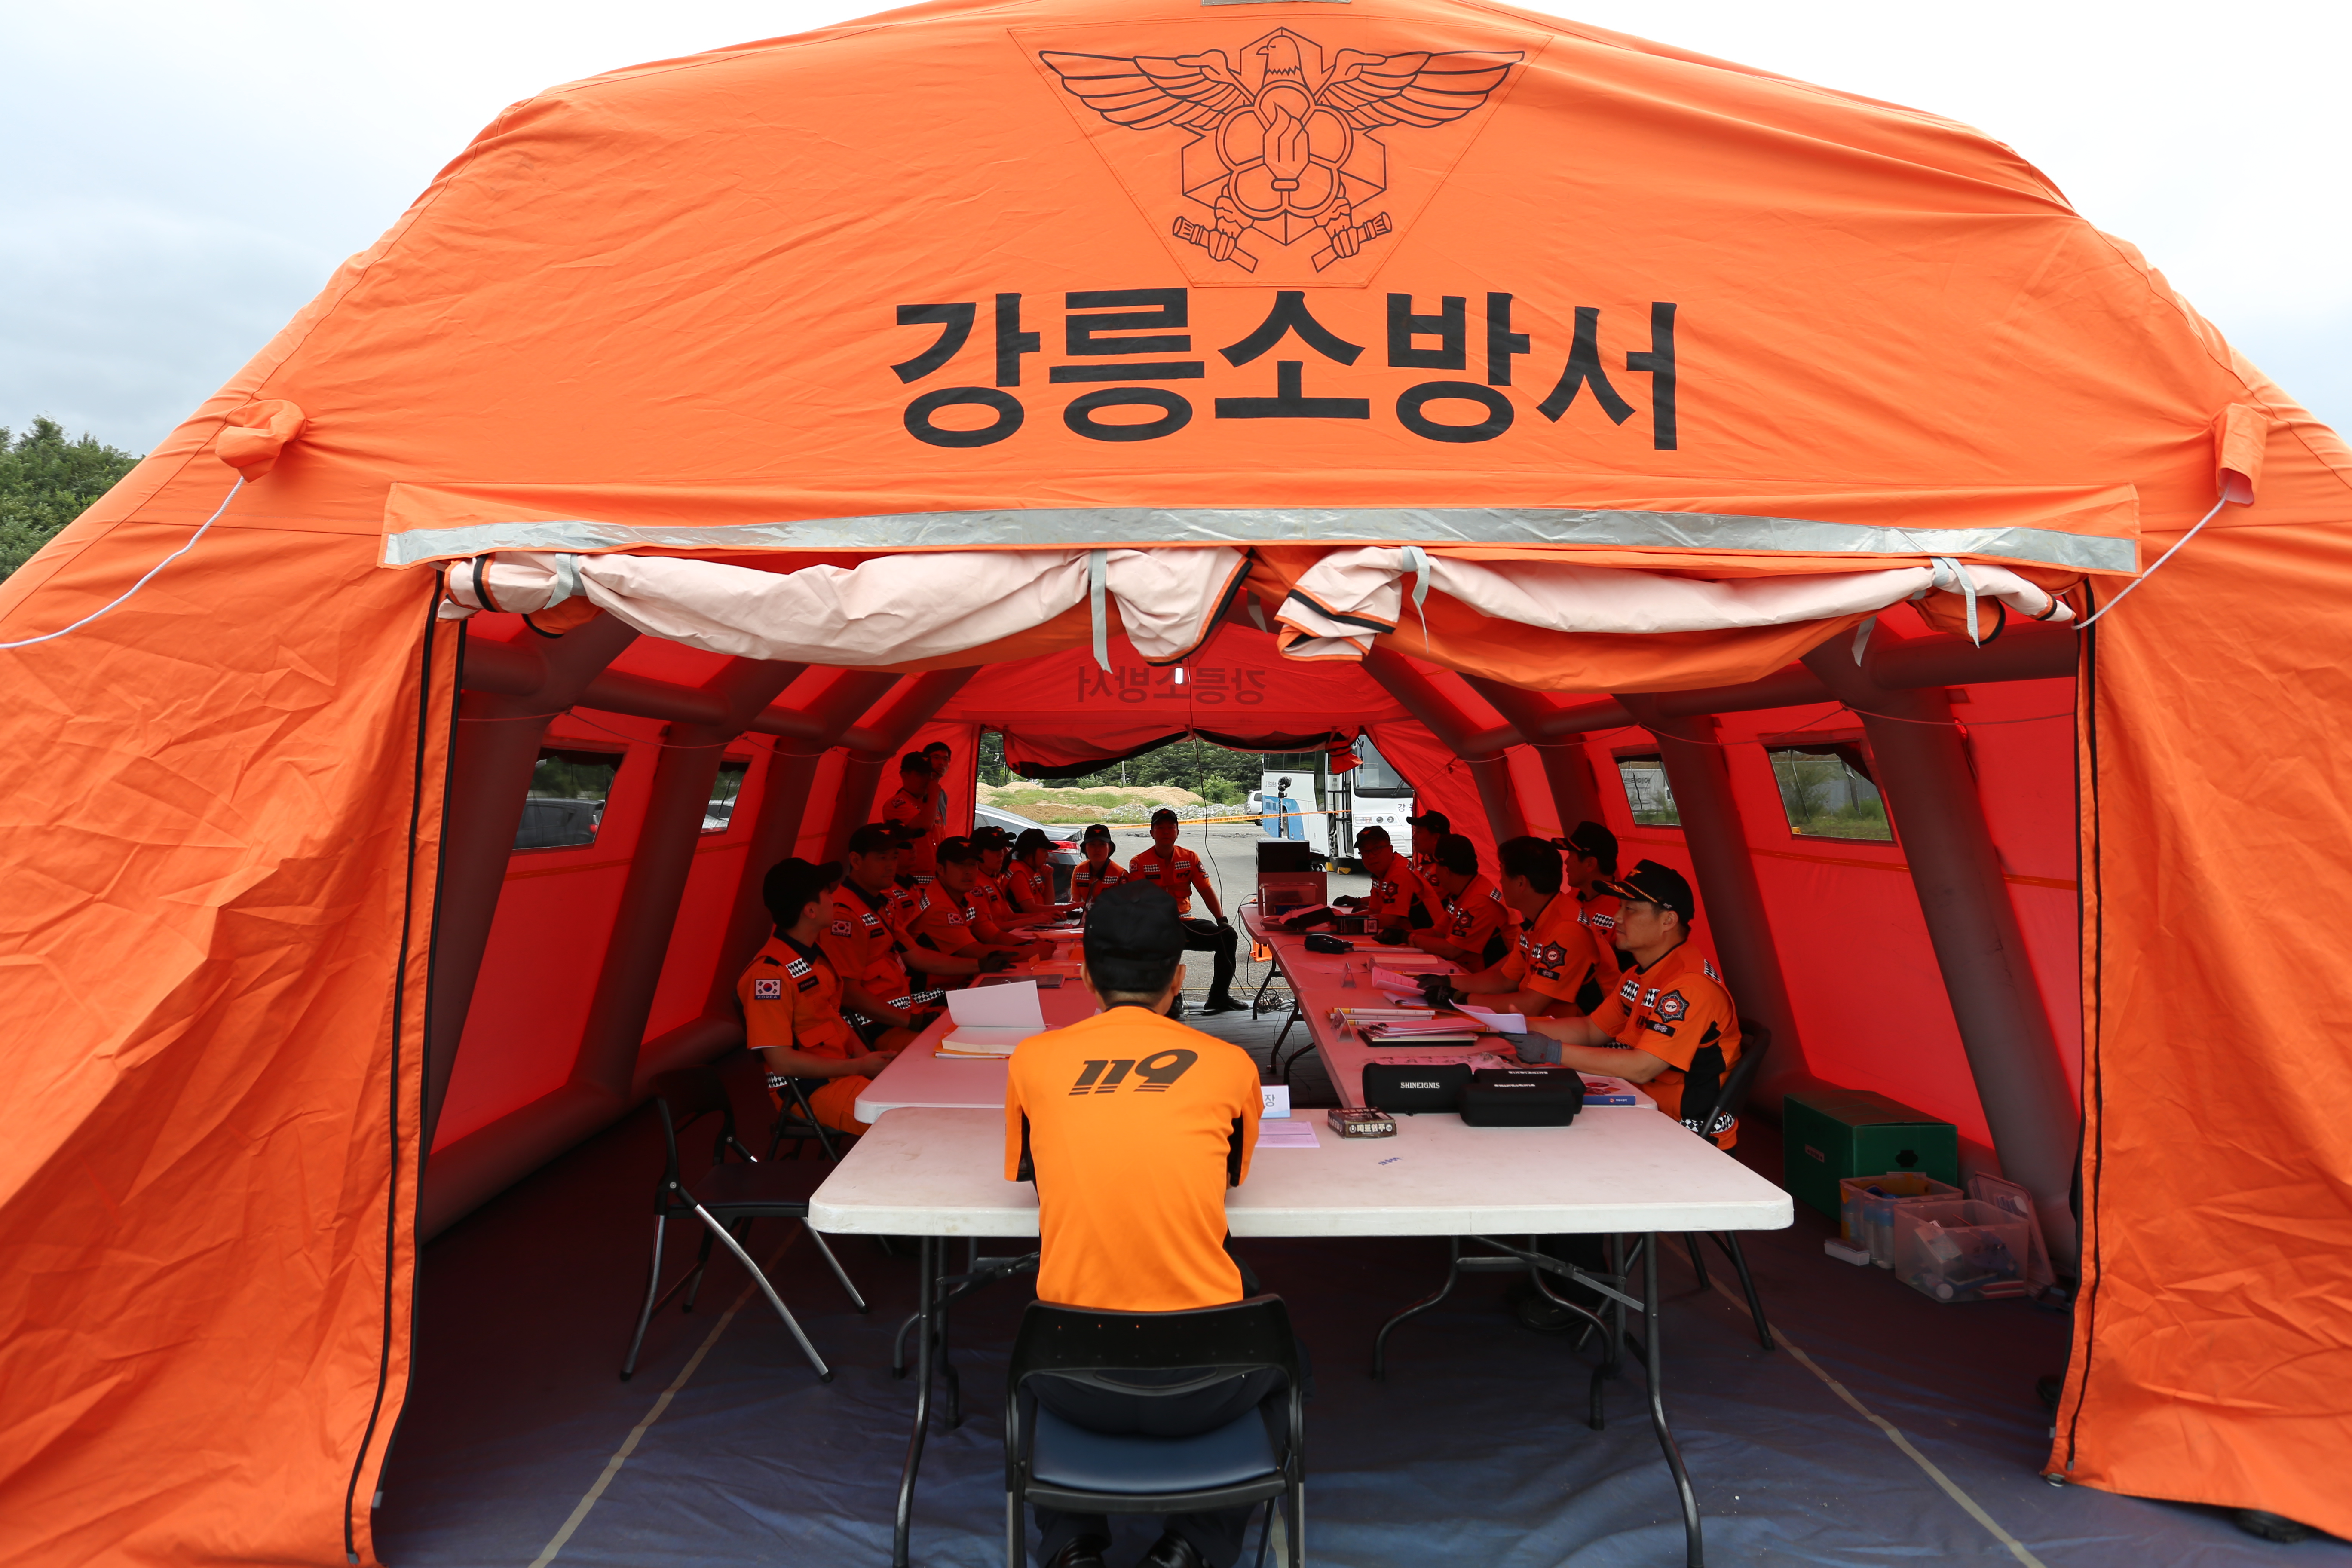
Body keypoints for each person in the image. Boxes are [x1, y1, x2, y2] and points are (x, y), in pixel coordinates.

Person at [1003, 881, 1279, 1568]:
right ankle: (1193, 1547)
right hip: (1208, 1382)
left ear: (1085, 974)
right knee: (1290, 1361)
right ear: (1179, 978)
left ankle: (1072, 1544)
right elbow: (1231, 1179)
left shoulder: (1031, 1060)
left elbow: (1033, 1176)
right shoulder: (1231, 1065)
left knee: (1030, 1351)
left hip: (1071, 1377)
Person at [1510, 859, 1743, 1145]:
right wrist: (1521, 1027)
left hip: (1687, 1137)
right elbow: (1590, 1030)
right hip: (1640, 1110)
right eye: (1620, 907)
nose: (1618, 917)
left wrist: (1551, 1051)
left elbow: (1642, 1067)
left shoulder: (1690, 986)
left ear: (1668, 921)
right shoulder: (1639, 973)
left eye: (1630, 909)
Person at [740, 858, 908, 1136]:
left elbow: (834, 1020)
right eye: (828, 894)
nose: (834, 900)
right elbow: (782, 1062)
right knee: (911, 1122)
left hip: (841, 1075)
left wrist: (871, 1062)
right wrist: (859, 1066)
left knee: (923, 1099)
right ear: (810, 910)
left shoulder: (812, 957)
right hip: (810, 1089)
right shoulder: (769, 977)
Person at [827, 824, 1003, 1027]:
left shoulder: (880, 905)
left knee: (990, 1013)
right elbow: (849, 993)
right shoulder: (843, 915)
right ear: (856, 861)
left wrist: (981, 964)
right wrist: (914, 1022)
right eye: (882, 858)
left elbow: (917, 956)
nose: (891, 865)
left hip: (908, 1009)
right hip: (877, 1026)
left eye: (894, 857)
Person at [1443, 836, 1593, 1019]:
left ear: (1521, 883)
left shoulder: (1566, 929)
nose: (1500, 881)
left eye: (1502, 874)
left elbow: (1530, 1006)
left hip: (1575, 1031)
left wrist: (1460, 999)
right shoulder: (1541, 916)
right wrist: (1446, 982)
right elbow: (1504, 979)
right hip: (1549, 1025)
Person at [1125, 808, 1243, 1015]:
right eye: (1160, 827)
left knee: (1227, 936)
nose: (1166, 831)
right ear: (1152, 833)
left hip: (1186, 922)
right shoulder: (1139, 862)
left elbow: (1206, 890)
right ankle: (1171, 998)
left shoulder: (1190, 858)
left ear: (1178, 832)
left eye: (1171, 827)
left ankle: (1218, 997)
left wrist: (1221, 920)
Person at [913, 837, 1057, 971]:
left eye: (973, 865)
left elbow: (994, 936)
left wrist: (1030, 943)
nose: (968, 872)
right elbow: (974, 951)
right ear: (940, 869)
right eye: (960, 865)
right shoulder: (939, 906)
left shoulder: (965, 896)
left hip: (963, 977)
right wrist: (1031, 951)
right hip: (938, 987)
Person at [1409, 833, 1514, 969]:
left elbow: (1452, 950)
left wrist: (1409, 938)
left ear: (1446, 871)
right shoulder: (1467, 890)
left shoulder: (1480, 900)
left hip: (1490, 978)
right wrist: (1404, 935)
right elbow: (1438, 933)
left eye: (1436, 866)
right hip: (1474, 974)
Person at [1556, 820, 1627, 1013]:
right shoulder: (1566, 901)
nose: (1566, 862)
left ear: (1590, 864)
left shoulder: (1625, 912)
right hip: (1557, 999)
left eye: (1571, 855)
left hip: (1600, 1014)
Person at [1331, 825, 1431, 943]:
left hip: (1426, 941)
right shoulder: (1382, 872)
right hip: (1409, 939)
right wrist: (1341, 919)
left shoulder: (1400, 873)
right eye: (1365, 851)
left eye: (1377, 848)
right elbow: (1374, 911)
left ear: (1390, 849)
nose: (1371, 856)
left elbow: (1388, 920)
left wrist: (1344, 922)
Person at [882, 752, 940, 882]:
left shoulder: (928, 805)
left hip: (933, 876)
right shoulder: (897, 803)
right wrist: (934, 795)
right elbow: (925, 825)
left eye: (929, 775)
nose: (927, 780)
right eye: (921, 775)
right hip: (912, 877)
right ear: (904, 775)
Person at [1003, 827, 1067, 917]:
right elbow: (1030, 909)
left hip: (1038, 922)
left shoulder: (1034, 871)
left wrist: (1049, 878)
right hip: (1024, 925)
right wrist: (1068, 908)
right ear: (1030, 851)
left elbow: (1049, 905)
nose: (1047, 856)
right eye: (1044, 851)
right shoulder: (1018, 872)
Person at [1069, 822, 1124, 904]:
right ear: (1085, 848)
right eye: (1092, 845)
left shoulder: (1120, 874)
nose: (1097, 849)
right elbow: (1075, 901)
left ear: (1110, 848)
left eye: (1102, 845)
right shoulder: (1079, 870)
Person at [1404, 809, 1450, 881]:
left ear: (1436, 838)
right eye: (1415, 831)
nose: (1414, 837)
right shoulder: (1425, 868)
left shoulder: (1441, 873)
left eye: (1419, 832)